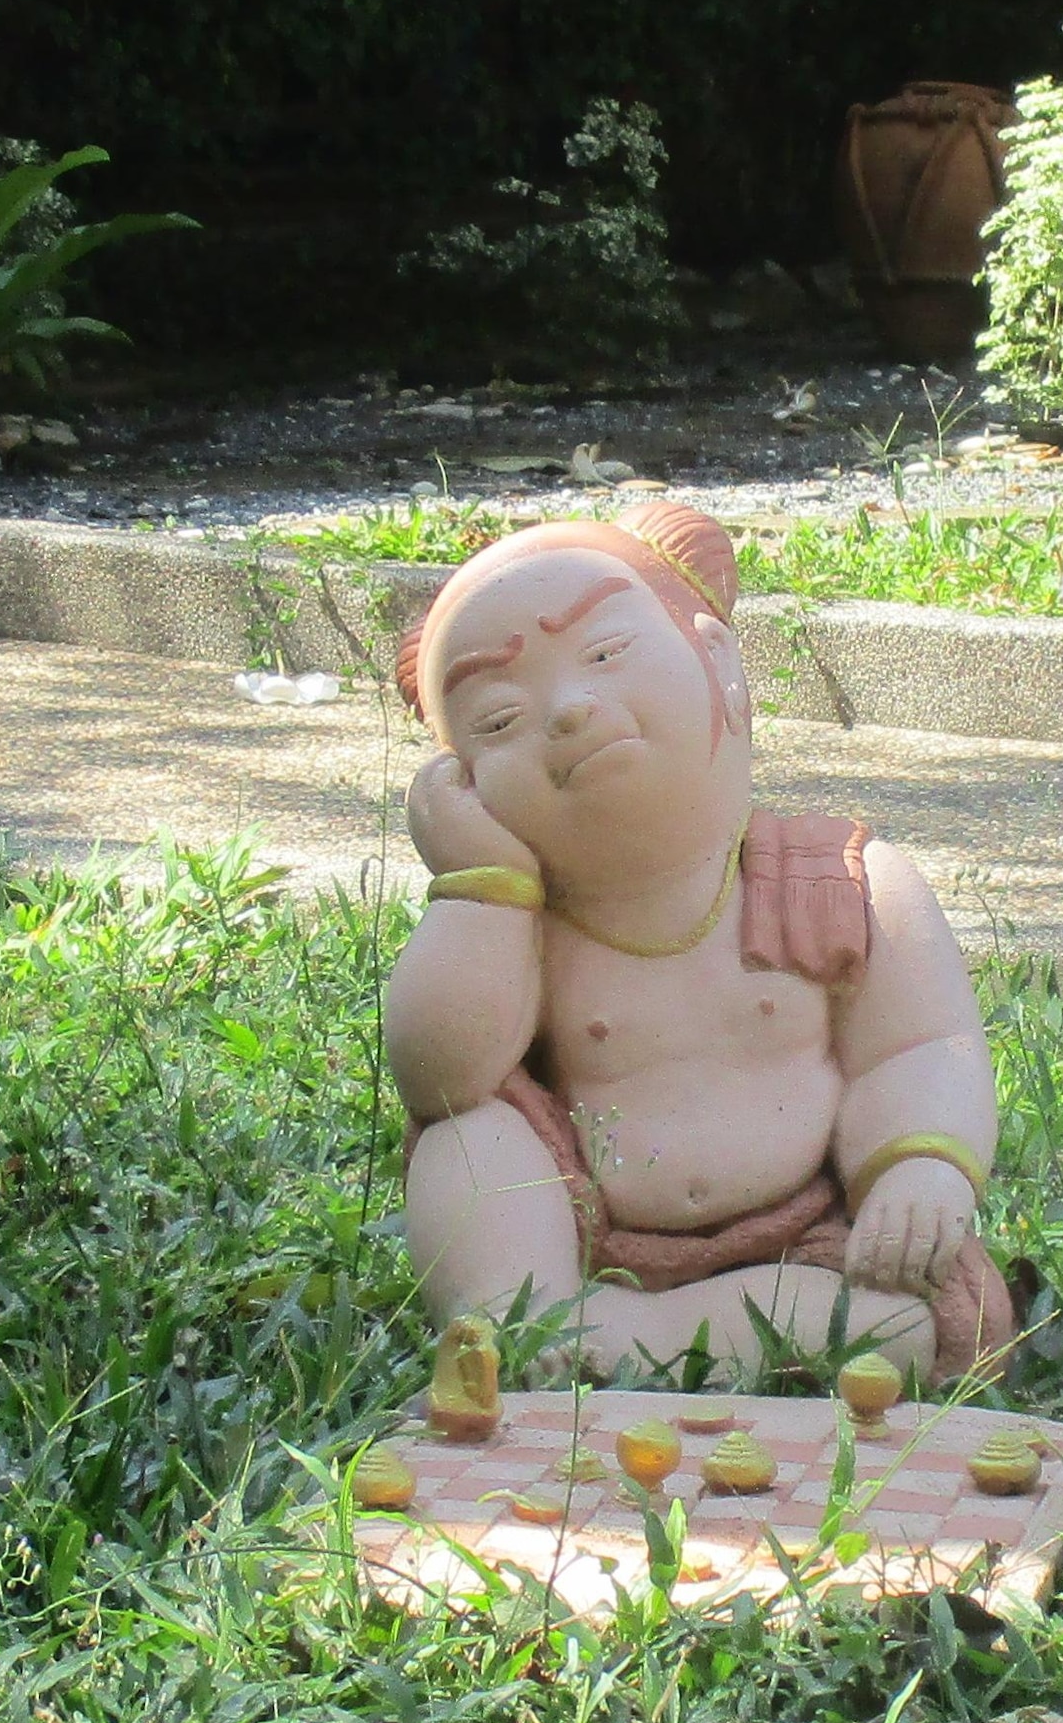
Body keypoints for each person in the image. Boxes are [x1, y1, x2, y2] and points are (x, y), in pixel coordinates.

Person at [384, 499, 1013, 1381]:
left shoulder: (838, 879)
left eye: (603, 655)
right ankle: (522, 1321)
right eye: (496, 720)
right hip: (581, 1247)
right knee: (468, 1126)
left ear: (718, 662)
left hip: (805, 1244)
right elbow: (439, 1075)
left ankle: (640, 1347)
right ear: (461, 785)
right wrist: (480, 888)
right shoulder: (520, 926)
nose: (566, 710)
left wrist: (920, 1168)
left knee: (917, 1326)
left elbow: (918, 1046)